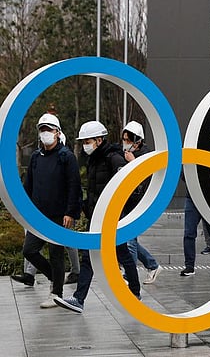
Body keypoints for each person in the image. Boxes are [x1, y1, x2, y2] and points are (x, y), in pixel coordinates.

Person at [54, 121, 141, 313]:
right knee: (90, 256)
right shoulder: (94, 159)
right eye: (84, 141)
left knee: (121, 254)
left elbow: (129, 188)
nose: (86, 144)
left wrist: (118, 212)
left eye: (88, 140)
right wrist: (87, 207)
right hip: (96, 217)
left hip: (111, 218)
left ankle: (134, 292)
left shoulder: (113, 158)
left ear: (99, 140)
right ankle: (79, 299)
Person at [11, 113, 82, 308]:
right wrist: (23, 209)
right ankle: (55, 277)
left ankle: (56, 293)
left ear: (57, 133)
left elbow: (74, 185)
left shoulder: (66, 156)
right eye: (42, 130)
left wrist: (70, 212)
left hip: (59, 215)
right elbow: (29, 185)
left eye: (48, 130)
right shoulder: (36, 156)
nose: (45, 133)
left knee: (56, 253)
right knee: (29, 250)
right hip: (37, 215)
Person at [180, 135, 210, 276]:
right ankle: (189, 266)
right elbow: (183, 172)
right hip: (193, 197)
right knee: (189, 233)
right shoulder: (191, 151)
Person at [122, 121, 162, 284]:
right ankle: (152, 265)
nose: (125, 143)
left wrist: (133, 162)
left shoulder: (146, 156)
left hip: (138, 204)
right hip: (126, 202)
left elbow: (144, 179)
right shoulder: (124, 153)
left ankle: (128, 275)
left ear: (138, 141)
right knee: (129, 239)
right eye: (124, 139)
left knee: (129, 240)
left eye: (129, 140)